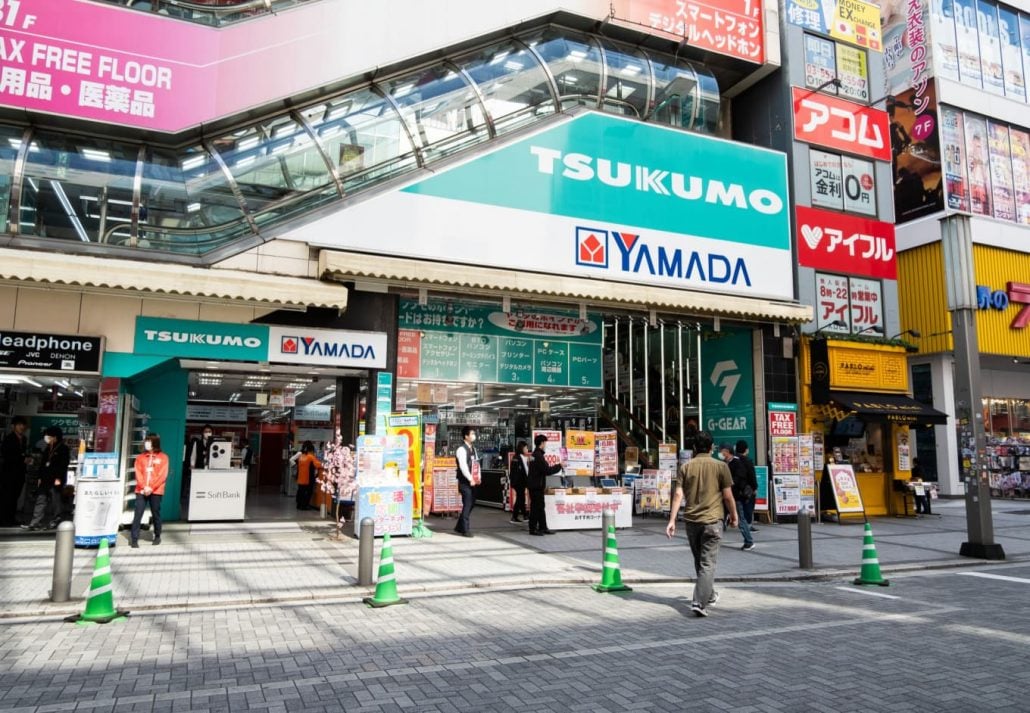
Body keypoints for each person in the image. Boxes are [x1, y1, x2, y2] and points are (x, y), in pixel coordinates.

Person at [666, 431, 737, 617]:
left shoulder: (686, 467)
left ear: (694, 448)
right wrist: (735, 516)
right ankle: (699, 602)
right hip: (713, 520)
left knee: (701, 561)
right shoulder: (721, 466)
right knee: (707, 563)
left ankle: (709, 594)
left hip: (692, 522)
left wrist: (672, 520)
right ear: (712, 447)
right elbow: (728, 496)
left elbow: (678, 495)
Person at [25, 426, 71, 530]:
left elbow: (63, 465)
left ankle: (56, 519)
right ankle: (35, 522)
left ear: (55, 437)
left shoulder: (63, 448)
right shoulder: (47, 448)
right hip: (45, 479)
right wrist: (39, 477)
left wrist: (59, 478)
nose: (47, 438)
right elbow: (42, 464)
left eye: (49, 436)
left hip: (55, 479)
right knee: (41, 499)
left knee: (55, 500)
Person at [130, 434, 169, 547]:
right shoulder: (140, 457)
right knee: (138, 513)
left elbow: (162, 475)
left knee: (155, 513)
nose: (147, 444)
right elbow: (138, 473)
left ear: (155, 443)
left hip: (156, 490)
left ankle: (157, 536)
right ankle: (134, 539)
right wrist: (144, 487)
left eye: (149, 441)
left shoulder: (163, 457)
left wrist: (151, 487)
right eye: (146, 441)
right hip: (141, 490)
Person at [720, 443, 755, 551]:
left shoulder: (737, 463)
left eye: (722, 451)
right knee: (719, 517)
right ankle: (712, 539)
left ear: (727, 451)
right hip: (725, 496)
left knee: (740, 518)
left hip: (735, 496)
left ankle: (749, 541)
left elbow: (739, 479)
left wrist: (728, 484)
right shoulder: (725, 463)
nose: (720, 453)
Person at [528, 433, 562, 536]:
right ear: (542, 443)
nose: (546, 445)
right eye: (545, 443)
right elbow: (547, 470)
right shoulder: (538, 456)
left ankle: (543, 527)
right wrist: (559, 466)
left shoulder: (534, 455)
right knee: (535, 508)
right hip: (536, 486)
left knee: (540, 507)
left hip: (535, 485)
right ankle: (533, 529)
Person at [1, 416, 30, 527]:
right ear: (13, 426)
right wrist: (22, 459)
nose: (22, 427)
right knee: (7, 497)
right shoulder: (9, 439)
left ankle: (11, 518)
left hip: (20, 473)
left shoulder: (24, 439)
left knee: (15, 497)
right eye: (19, 425)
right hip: (8, 473)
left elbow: (23, 453)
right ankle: (4, 519)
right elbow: (7, 455)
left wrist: (26, 458)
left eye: (23, 425)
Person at [454, 426, 479, 537]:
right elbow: (463, 466)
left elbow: (476, 464)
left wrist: (478, 477)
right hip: (465, 481)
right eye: (472, 433)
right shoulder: (461, 449)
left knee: (472, 502)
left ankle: (459, 526)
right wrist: (470, 479)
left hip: (473, 480)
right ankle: (465, 529)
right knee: (467, 503)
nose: (474, 436)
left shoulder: (473, 449)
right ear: (466, 436)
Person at [735, 440, 759, 533]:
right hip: (747, 488)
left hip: (736, 488)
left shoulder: (733, 460)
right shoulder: (747, 461)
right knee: (748, 506)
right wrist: (755, 487)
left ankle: (736, 521)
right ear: (746, 450)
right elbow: (752, 476)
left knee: (738, 506)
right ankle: (748, 525)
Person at [508, 440, 531, 524]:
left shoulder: (516, 457)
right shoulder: (519, 458)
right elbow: (524, 471)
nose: (527, 449)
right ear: (522, 448)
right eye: (526, 448)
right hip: (519, 482)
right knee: (520, 498)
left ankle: (524, 516)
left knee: (520, 498)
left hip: (517, 482)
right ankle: (515, 517)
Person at [296, 441, 321, 511]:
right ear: (311, 450)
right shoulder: (311, 457)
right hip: (308, 478)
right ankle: (304, 505)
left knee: (300, 491)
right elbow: (318, 465)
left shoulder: (301, 457)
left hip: (300, 477)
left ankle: (299, 504)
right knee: (308, 492)